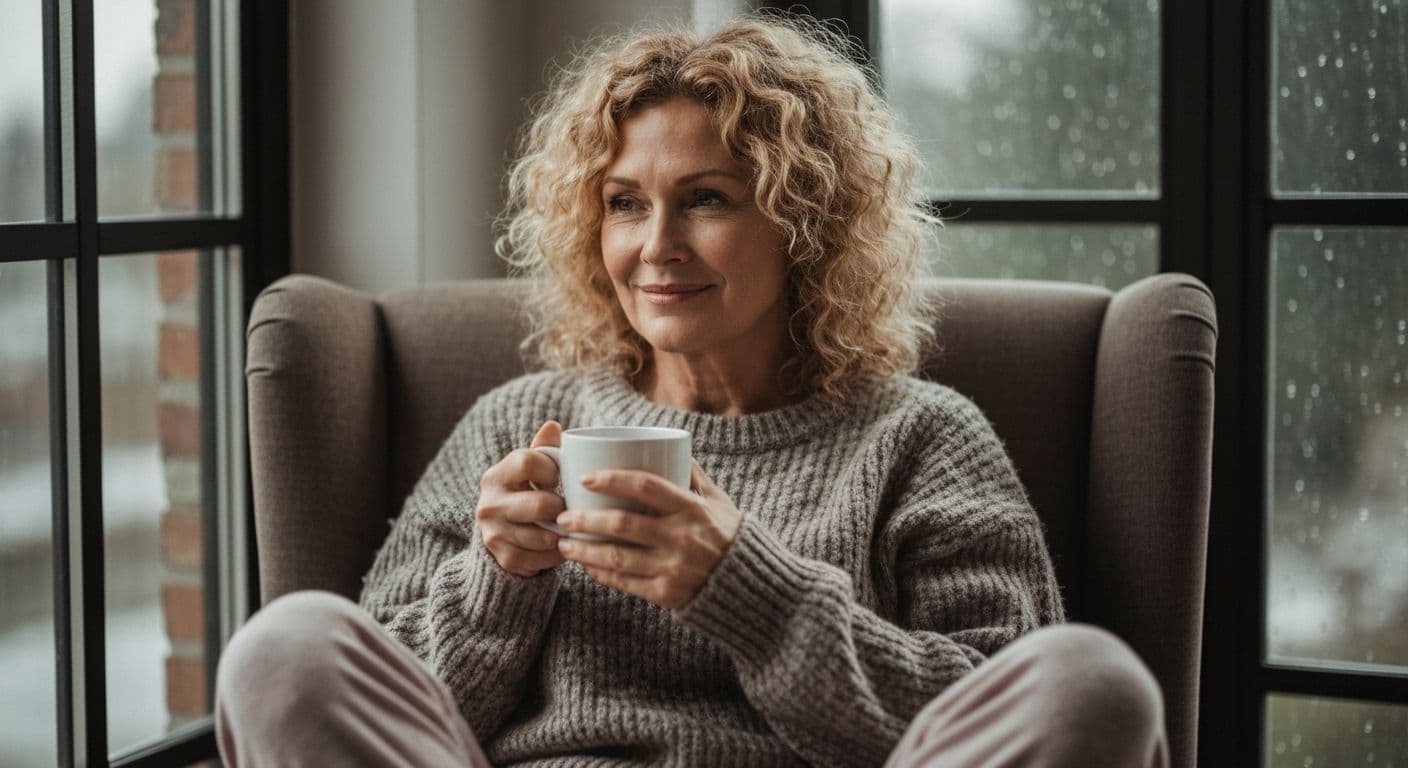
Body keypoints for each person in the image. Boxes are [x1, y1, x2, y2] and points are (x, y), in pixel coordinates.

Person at [215, 13, 1168, 768]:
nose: (655, 245)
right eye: (626, 202)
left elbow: (992, 700)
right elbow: (387, 698)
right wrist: (495, 584)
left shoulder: (921, 437)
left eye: (706, 198)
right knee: (284, 649)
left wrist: (752, 591)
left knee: (1090, 680)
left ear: (807, 223)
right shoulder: (517, 419)